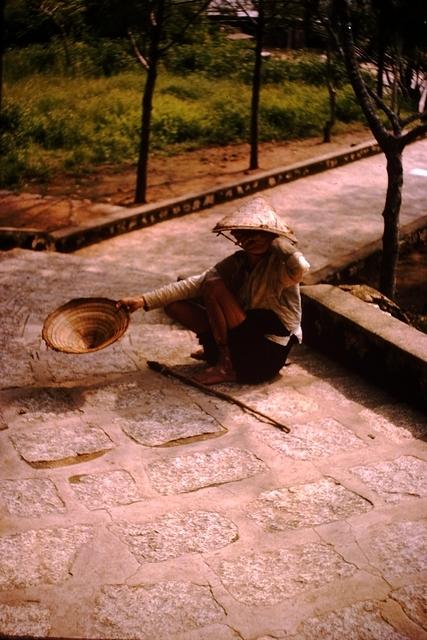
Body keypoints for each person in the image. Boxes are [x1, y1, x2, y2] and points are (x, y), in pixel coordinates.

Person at [117, 196, 310, 385]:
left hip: (265, 354)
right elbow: (196, 283)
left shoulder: (280, 267)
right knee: (174, 306)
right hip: (244, 338)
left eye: (254, 233)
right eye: (241, 233)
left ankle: (226, 365)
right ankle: (215, 352)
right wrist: (142, 300)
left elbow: (301, 267)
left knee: (214, 285)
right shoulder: (239, 261)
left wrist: (277, 242)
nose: (246, 238)